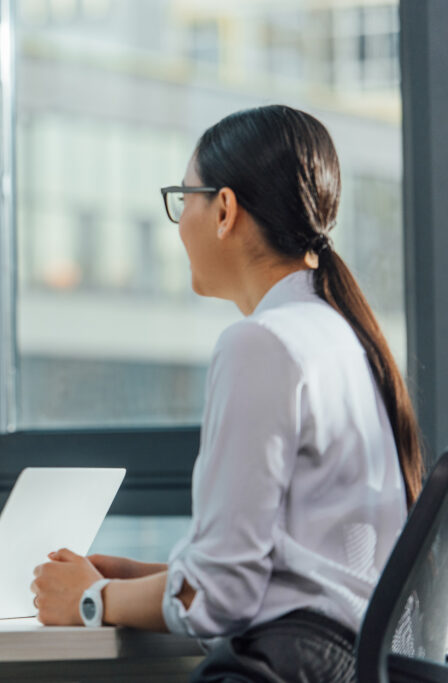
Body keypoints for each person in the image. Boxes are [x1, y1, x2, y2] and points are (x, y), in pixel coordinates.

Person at [30, 105, 424, 681]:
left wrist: (92, 600)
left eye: (183, 197)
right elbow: (280, 574)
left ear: (224, 209)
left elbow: (220, 598)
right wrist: (136, 578)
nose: (179, 221)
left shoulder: (260, 343)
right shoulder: (341, 334)